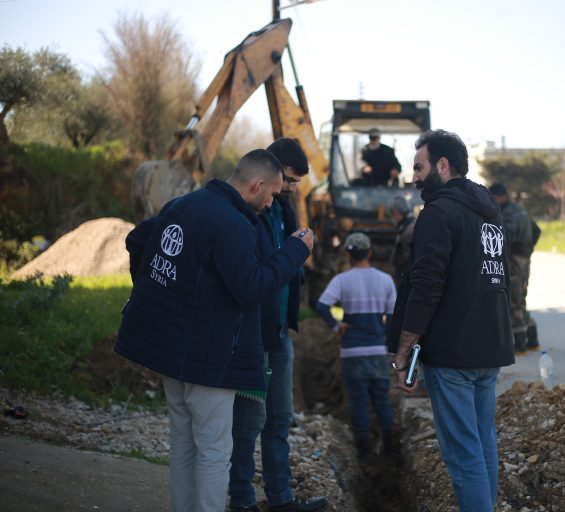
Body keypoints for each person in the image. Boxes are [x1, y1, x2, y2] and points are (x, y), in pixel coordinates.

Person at [116, 149, 314, 512]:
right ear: (256, 186)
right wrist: (294, 251)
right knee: (214, 450)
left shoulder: (183, 204)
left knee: (183, 442)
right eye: (271, 194)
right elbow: (252, 287)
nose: (272, 203)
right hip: (210, 361)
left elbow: (137, 241)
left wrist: (164, 301)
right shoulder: (234, 225)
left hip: (172, 354)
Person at [389, 129, 514, 512]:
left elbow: (426, 285)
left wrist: (405, 346)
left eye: (419, 167)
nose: (414, 177)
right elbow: (499, 279)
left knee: (463, 453)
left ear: (442, 165)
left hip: (454, 354)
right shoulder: (490, 214)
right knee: (482, 441)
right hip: (489, 348)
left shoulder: (438, 213)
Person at [229, 138, 328, 512]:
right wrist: (295, 251)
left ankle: (281, 498)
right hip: (253, 336)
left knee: (280, 419)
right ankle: (241, 500)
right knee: (249, 421)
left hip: (279, 334)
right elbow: (261, 272)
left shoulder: (284, 209)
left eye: (295, 184)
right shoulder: (248, 212)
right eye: (288, 180)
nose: (289, 189)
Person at [315, 232, 397, 463]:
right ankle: (389, 450)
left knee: (358, 402)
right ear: (370, 252)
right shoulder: (385, 280)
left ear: (348, 254)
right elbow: (392, 318)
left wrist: (336, 325)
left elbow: (322, 305)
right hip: (377, 351)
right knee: (382, 399)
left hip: (352, 352)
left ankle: (363, 454)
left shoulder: (342, 280)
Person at [488, 183, 540, 353]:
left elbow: (505, 236)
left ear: (501, 196)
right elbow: (536, 231)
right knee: (521, 299)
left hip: (514, 261)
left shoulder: (508, 213)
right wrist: (528, 251)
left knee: (513, 301)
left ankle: (519, 345)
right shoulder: (520, 210)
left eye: (493, 198)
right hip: (524, 259)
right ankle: (532, 340)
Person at [388, 194, 416, 283]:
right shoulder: (409, 226)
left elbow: (407, 260)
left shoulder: (409, 231)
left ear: (396, 212)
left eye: (391, 214)